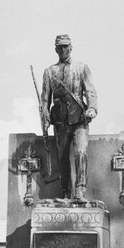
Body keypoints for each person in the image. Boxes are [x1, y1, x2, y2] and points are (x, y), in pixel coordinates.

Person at [40, 34, 98, 201]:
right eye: (60, 47)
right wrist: (44, 117)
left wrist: (92, 108)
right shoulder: (49, 72)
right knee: (62, 157)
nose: (63, 50)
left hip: (79, 117)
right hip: (60, 119)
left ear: (71, 48)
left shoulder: (81, 68)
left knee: (80, 152)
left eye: (66, 46)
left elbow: (91, 91)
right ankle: (66, 191)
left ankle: (80, 189)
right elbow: (45, 98)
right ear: (56, 49)